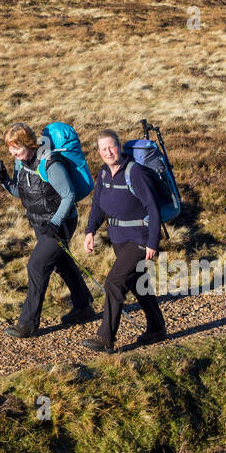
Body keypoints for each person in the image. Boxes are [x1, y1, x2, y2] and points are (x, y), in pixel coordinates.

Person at [0, 122, 98, 338]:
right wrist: (5, 181)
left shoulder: (50, 162)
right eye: (10, 148)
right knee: (62, 264)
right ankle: (83, 306)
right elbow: (24, 193)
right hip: (40, 223)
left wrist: (56, 222)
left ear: (29, 143)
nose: (13, 152)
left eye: (17, 148)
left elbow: (68, 196)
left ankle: (28, 323)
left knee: (37, 265)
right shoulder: (21, 163)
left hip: (60, 224)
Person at [80, 129, 168, 353]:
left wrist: (152, 242)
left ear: (119, 146)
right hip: (118, 239)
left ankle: (106, 338)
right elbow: (98, 205)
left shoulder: (134, 172)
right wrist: (90, 230)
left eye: (111, 146)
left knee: (114, 282)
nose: (108, 152)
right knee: (139, 283)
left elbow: (152, 207)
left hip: (139, 238)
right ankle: (157, 328)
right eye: (103, 149)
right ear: (98, 152)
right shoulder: (103, 173)